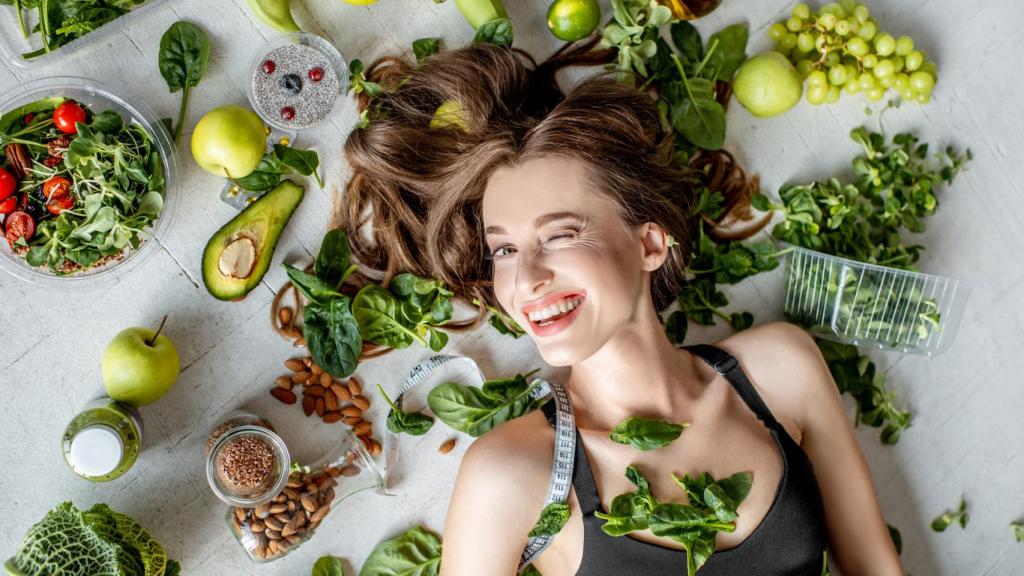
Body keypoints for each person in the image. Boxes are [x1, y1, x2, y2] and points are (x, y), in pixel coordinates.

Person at [338, 40, 903, 576]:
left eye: (560, 235)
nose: (527, 279)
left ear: (650, 245)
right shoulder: (511, 474)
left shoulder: (780, 371)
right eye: (504, 249)